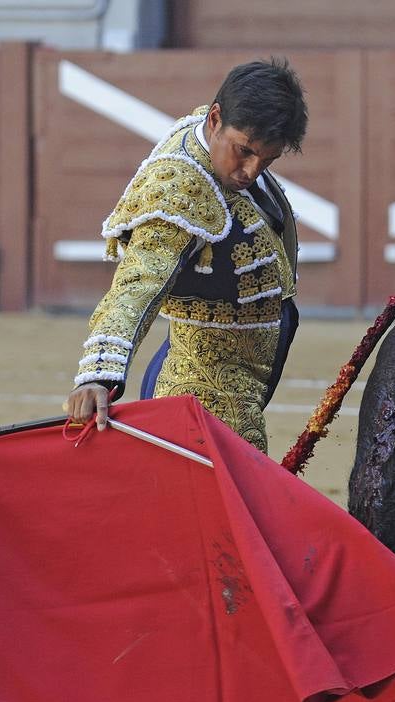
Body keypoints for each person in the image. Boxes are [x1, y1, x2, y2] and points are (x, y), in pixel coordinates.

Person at [65, 58, 307, 454]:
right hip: (205, 385)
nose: (250, 170)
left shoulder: (214, 136)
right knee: (233, 498)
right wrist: (98, 374)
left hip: (229, 375)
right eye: (243, 151)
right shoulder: (180, 188)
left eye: (267, 160)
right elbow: (139, 283)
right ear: (214, 119)